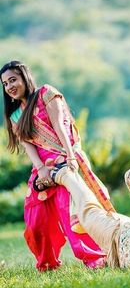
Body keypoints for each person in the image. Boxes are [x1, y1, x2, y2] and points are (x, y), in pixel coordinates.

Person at [0, 60, 115, 271]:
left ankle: (95, 258)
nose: (9, 87)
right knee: (36, 220)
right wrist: (41, 169)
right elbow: (29, 146)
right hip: (42, 168)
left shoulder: (46, 93)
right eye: (5, 84)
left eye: (13, 80)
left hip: (64, 160)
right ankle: (47, 263)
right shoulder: (16, 114)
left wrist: (70, 158)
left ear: (25, 77)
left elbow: (61, 127)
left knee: (69, 212)